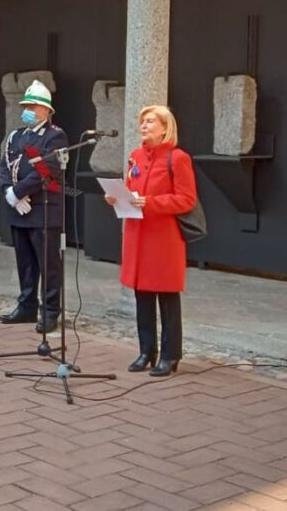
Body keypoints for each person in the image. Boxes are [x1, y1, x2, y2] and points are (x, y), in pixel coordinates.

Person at [106, 105, 196, 377]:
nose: (143, 126)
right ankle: (147, 351)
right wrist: (116, 196)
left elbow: (187, 199)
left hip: (163, 238)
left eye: (150, 122)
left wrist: (151, 203)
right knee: (141, 294)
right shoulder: (135, 156)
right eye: (142, 122)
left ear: (165, 127)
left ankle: (170, 356)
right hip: (137, 234)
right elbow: (131, 188)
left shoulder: (178, 158)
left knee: (167, 297)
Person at [0, 80, 68, 334]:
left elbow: (47, 170)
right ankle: (26, 305)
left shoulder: (54, 136)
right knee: (25, 262)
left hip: (43, 209)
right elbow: (5, 165)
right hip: (19, 208)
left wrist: (19, 191)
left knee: (48, 265)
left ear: (46, 111)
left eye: (33, 106)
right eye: (26, 105)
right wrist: (10, 194)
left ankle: (50, 312)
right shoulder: (17, 135)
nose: (27, 109)